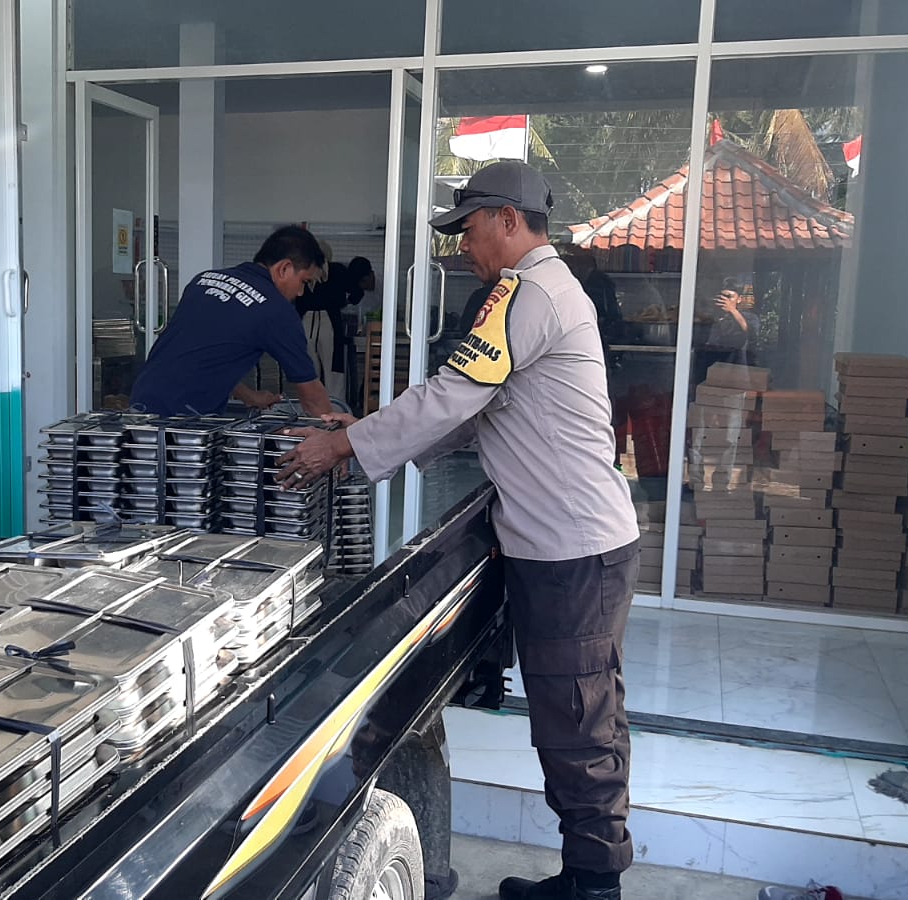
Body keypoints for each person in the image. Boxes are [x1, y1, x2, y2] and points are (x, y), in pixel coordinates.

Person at [276, 160, 639, 900]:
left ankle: (594, 884)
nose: (463, 247)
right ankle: (588, 872)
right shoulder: (545, 290)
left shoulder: (526, 293)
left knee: (578, 718)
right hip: (566, 544)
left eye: (468, 230)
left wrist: (345, 448)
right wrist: (365, 435)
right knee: (581, 710)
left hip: (572, 550)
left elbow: (453, 394)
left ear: (508, 219)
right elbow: (476, 412)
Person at [129, 225, 335, 417]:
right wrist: (338, 436)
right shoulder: (277, 310)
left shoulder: (203, 281)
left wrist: (249, 396)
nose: (300, 292)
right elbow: (312, 398)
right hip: (182, 421)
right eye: (304, 282)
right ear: (284, 269)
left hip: (142, 400)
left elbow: (207, 355)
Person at [297, 252, 376, 401]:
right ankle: (336, 408)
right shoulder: (337, 270)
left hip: (307, 322)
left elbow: (294, 299)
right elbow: (356, 292)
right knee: (333, 372)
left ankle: (311, 409)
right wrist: (344, 302)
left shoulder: (302, 271)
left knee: (310, 372)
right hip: (330, 322)